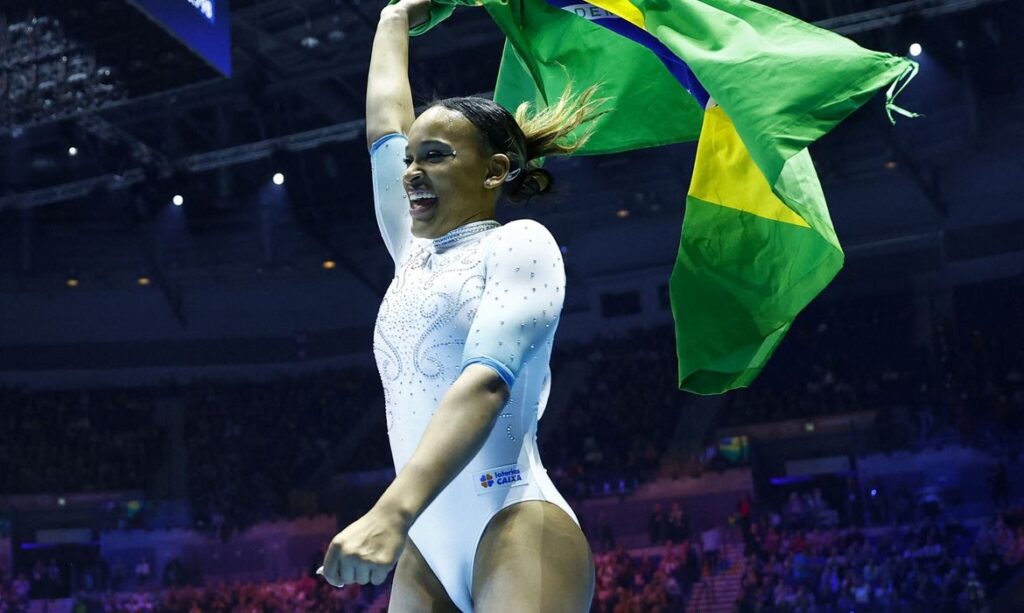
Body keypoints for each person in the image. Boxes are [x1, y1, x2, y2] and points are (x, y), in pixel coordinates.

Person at [318, 0, 601, 610]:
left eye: (436, 156)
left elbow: (485, 385)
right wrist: (393, 20)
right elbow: (383, 126)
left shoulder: (521, 244)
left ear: (496, 170)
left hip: (515, 521)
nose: (412, 171)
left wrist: (391, 509)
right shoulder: (410, 252)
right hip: (427, 544)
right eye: (411, 159)